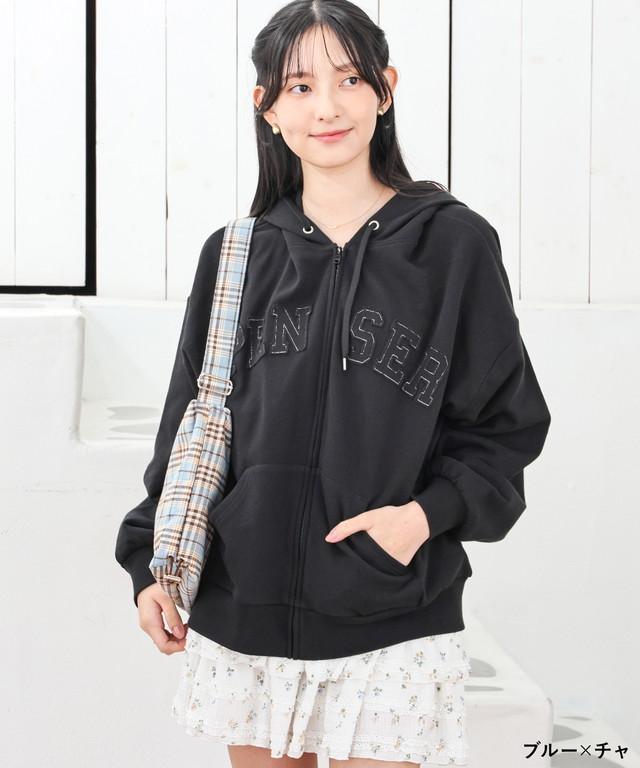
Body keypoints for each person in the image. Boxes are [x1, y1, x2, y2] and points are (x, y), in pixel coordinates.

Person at [115, 1, 552, 766]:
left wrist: (422, 518)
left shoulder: (453, 246)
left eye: (350, 79)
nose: (327, 106)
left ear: (386, 89)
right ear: (268, 107)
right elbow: (190, 422)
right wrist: (154, 562)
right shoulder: (236, 255)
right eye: (300, 86)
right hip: (243, 610)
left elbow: (506, 424)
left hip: (391, 619)